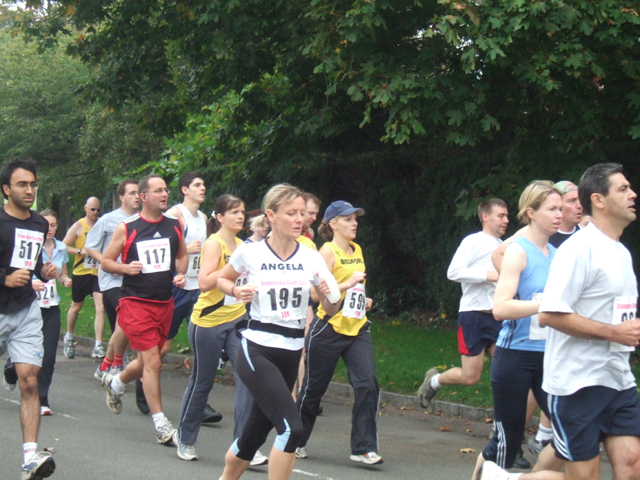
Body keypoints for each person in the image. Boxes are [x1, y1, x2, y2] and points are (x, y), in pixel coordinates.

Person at [482, 164, 640, 480]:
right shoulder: (577, 250)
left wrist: (626, 330)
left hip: (617, 378)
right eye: (623, 189)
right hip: (576, 381)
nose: (633, 194)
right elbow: (550, 314)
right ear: (599, 199)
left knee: (632, 465)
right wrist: (614, 332)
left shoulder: (621, 252)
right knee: (583, 476)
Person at [217, 183, 340, 480]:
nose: (300, 219)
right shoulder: (251, 252)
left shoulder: (310, 256)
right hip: (257, 348)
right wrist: (236, 290)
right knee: (292, 429)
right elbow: (221, 279)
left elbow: (332, 307)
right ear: (271, 215)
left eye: (302, 213)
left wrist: (328, 297)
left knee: (254, 434)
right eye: (291, 213)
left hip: (292, 351)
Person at [471, 181, 562, 478]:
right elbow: (501, 308)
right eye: (552, 209)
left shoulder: (556, 254)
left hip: (549, 356)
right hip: (515, 355)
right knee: (507, 442)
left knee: (568, 432)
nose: (559, 215)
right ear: (531, 213)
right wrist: (542, 305)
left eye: (561, 209)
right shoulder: (518, 252)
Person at [176, 194, 265, 465]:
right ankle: (186, 438)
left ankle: (244, 447)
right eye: (234, 212)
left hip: (237, 320)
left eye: (242, 212)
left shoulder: (243, 245)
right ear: (220, 217)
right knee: (202, 382)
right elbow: (204, 282)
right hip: (208, 322)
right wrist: (231, 268)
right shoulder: (214, 243)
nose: (240, 216)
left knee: (248, 380)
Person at [100, 175, 187, 445]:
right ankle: (161, 424)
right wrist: (126, 268)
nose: (165, 194)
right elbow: (106, 261)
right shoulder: (128, 228)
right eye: (158, 190)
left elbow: (182, 255)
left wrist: (180, 273)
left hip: (164, 303)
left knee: (157, 355)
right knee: (152, 362)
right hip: (135, 303)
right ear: (144, 196)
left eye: (166, 190)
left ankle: (117, 382)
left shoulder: (174, 226)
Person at [295, 200, 382, 465]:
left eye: (355, 219)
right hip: (328, 328)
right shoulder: (327, 252)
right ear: (333, 224)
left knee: (368, 385)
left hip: (357, 327)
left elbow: (357, 287)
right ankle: (295, 439)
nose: (354, 223)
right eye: (347, 219)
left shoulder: (358, 249)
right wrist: (345, 286)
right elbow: (315, 294)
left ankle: (363, 448)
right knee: (313, 390)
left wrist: (363, 299)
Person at [417, 198, 508, 408]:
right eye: (501, 216)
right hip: (473, 315)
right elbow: (453, 272)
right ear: (485, 216)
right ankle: (434, 381)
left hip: (498, 316)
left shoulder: (504, 246)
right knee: (470, 377)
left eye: (507, 216)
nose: (506, 220)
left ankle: (504, 418)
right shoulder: (473, 241)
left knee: (507, 370)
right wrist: (488, 275)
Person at [0, 159, 57, 479]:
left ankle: (30, 458)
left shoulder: (38, 224)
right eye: (22, 184)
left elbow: (31, 262)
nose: (29, 190)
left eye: (33, 184)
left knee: (30, 379)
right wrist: (5, 278)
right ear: (6, 189)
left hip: (24, 310)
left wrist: (44, 271)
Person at [85, 180, 139, 397]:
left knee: (123, 323)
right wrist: (107, 261)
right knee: (124, 319)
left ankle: (106, 365)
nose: (137, 196)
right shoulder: (108, 220)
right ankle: (115, 363)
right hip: (112, 280)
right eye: (132, 193)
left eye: (139, 193)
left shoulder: (143, 220)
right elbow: (90, 246)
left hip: (133, 279)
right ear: (122, 196)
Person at [32, 209, 72, 416]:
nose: (49, 228)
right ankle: (11, 368)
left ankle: (42, 399)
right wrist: (33, 283)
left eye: (54, 225)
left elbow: (62, 273)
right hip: (30, 306)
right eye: (46, 224)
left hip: (51, 306)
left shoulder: (61, 247)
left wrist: (65, 280)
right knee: (28, 354)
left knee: (48, 356)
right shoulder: (32, 245)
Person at [62, 196, 106, 359]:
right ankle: (69, 336)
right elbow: (64, 245)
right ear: (85, 208)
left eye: (98, 210)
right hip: (81, 272)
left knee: (100, 308)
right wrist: (80, 251)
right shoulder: (79, 225)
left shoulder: (103, 224)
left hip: (98, 272)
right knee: (76, 306)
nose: (95, 212)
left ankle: (99, 345)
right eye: (92, 209)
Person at [548, 181, 582, 248]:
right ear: (558, 204)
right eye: (572, 201)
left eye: (580, 200)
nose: (579, 206)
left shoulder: (586, 235)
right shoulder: (545, 238)